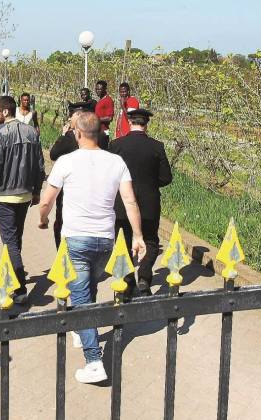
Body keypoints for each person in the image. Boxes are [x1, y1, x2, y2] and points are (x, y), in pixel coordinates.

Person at [37, 112, 146, 384]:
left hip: (76, 238)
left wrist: (42, 218)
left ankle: (94, 359)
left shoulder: (66, 161)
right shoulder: (116, 161)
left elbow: (47, 200)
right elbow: (130, 202)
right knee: (88, 288)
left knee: (82, 297)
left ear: (76, 134)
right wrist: (138, 235)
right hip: (105, 239)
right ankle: (83, 328)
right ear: (100, 133)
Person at [0, 96, 45, 304]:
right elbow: (40, 167)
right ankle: (12, 275)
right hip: (24, 195)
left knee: (10, 242)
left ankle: (20, 289)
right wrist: (35, 191)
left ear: (5, 112)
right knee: (16, 239)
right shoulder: (32, 133)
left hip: (5, 196)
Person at [109, 108, 172, 297]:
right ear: (146, 124)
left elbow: (109, 175)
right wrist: (151, 183)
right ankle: (144, 278)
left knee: (124, 241)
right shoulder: (157, 146)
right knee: (151, 240)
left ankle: (128, 282)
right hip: (149, 202)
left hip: (122, 204)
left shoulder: (116, 145)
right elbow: (166, 178)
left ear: (129, 122)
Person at [49, 102, 109, 248]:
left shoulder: (70, 137)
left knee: (62, 223)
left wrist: (62, 135)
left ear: (79, 117)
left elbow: (53, 154)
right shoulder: (101, 137)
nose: (70, 119)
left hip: (70, 189)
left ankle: (63, 256)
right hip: (95, 188)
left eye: (72, 116)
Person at [94, 80, 114, 145]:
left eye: (100, 89)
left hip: (103, 132)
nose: (97, 91)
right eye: (96, 89)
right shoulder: (100, 100)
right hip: (97, 131)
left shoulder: (108, 100)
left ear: (105, 89)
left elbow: (109, 118)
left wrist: (95, 119)